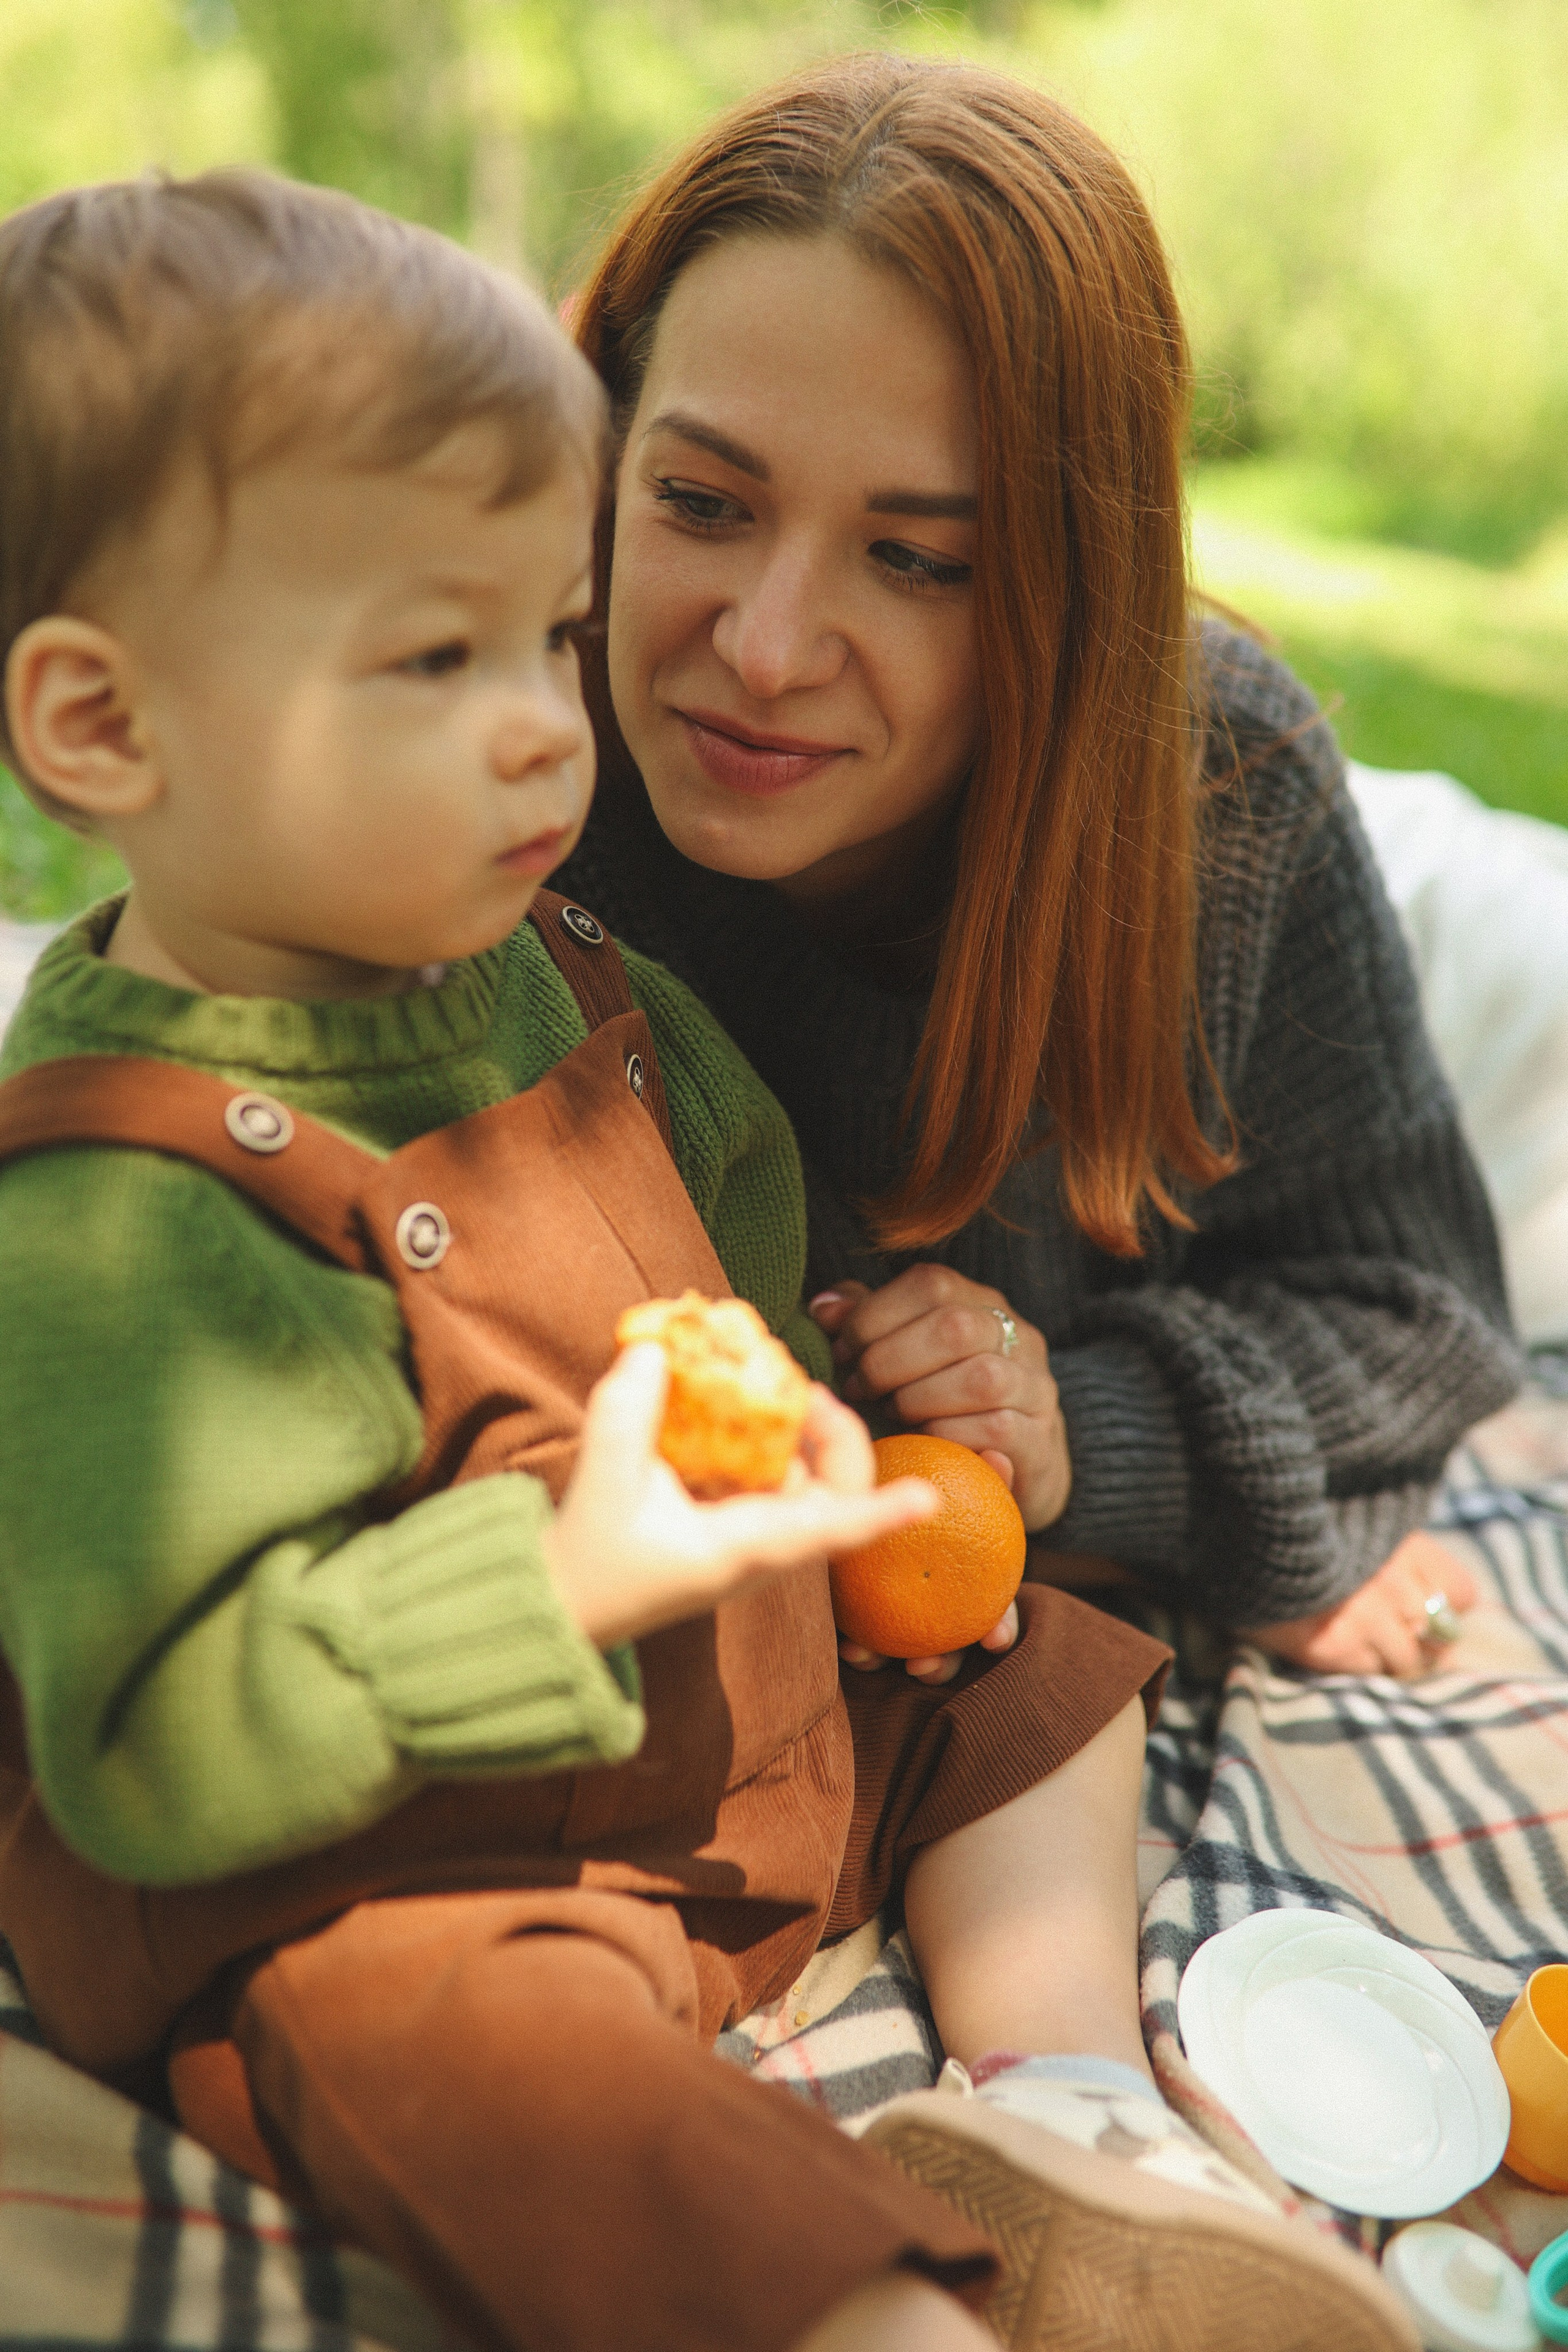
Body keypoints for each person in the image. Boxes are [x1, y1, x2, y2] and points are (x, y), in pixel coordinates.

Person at [0, 171, 1420, 2352]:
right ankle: (866, 2310)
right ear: (102, 728)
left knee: (1033, 1676)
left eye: (545, 641)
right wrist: (569, 1568)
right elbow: (157, 1753)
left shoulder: (547, 952)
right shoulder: (106, 1210)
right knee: (456, 2036)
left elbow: (746, 1247)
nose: (559, 726)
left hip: (737, 1747)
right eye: (436, 659)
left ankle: (1068, 2105)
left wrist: (871, 1420)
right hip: (441, 1847)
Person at [557, 51, 1521, 1686]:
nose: (768, 649)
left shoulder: (1220, 796)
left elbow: (1414, 1322)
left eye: (919, 557)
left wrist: (1084, 1430)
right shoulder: (495, 744)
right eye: (704, 502)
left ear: (1075, 597)